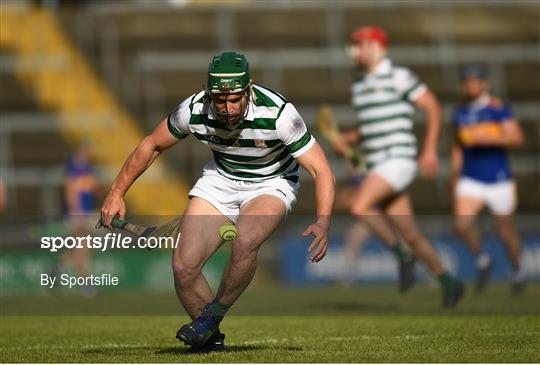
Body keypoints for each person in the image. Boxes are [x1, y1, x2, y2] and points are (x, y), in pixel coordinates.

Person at [100, 52, 335, 353]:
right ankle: (210, 341)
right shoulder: (194, 110)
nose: (227, 108)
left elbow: (321, 168)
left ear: (248, 89)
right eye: (220, 100)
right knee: (183, 267)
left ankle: (211, 316)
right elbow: (152, 144)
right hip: (220, 182)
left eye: (235, 99)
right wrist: (116, 192)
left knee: (245, 240)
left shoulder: (279, 115)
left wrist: (324, 220)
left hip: (271, 183)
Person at [333, 26, 464, 306]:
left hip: (398, 159)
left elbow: (433, 107)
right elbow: (371, 126)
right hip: (379, 163)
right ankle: (448, 282)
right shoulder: (360, 86)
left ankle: (402, 255)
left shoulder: (399, 76)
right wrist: (348, 138)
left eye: (360, 44)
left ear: (377, 47)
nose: (354, 50)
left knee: (358, 206)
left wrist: (429, 150)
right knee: (411, 233)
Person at [451, 65, 525, 294]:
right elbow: (458, 147)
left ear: (483, 84)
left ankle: (517, 270)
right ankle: (483, 261)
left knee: (505, 232)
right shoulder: (460, 112)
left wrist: (486, 136)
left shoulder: (498, 108)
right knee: (461, 225)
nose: (470, 85)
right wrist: (455, 174)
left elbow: (516, 138)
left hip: (498, 178)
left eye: (475, 81)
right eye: (467, 81)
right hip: (471, 178)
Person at [55, 141, 100, 295]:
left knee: (80, 250)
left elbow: (94, 190)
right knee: (83, 250)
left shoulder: (89, 169)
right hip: (79, 215)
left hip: (86, 213)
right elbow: (70, 193)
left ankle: (60, 267)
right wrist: (77, 214)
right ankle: (87, 284)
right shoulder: (73, 170)